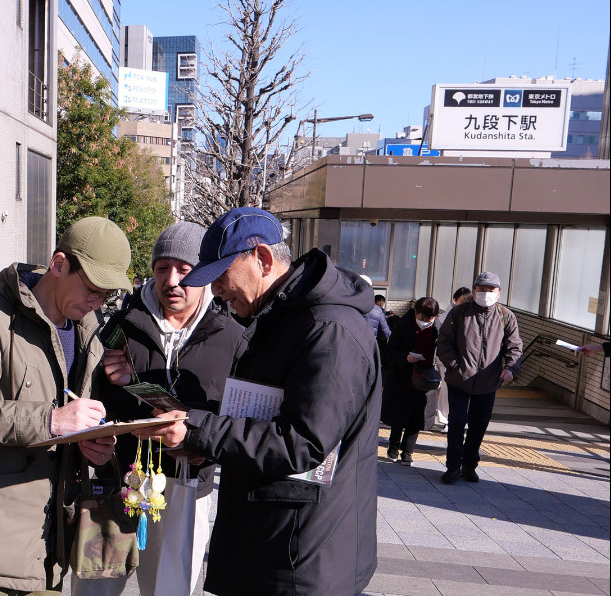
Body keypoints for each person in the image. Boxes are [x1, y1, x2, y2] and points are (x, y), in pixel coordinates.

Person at [138, 207, 381, 596]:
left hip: (300, 559)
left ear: (262, 260)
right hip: (273, 540)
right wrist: (203, 443)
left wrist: (200, 430)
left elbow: (303, 441)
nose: (215, 291)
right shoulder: (279, 318)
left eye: (221, 276)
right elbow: (261, 415)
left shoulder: (328, 330)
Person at [0, 217, 132, 596]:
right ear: (59, 265)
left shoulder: (88, 328)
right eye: (92, 290)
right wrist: (50, 420)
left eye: (105, 296)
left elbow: (72, 418)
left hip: (52, 542)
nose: (97, 302)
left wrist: (92, 443)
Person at [72, 222, 246, 596]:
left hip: (186, 485)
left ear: (204, 272)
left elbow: (239, 418)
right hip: (117, 482)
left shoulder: (233, 337)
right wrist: (87, 442)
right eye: (162, 267)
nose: (171, 280)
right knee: (94, 590)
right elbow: (88, 400)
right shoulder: (119, 326)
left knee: (171, 589)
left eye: (184, 269)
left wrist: (202, 444)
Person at [437, 271, 522, 485]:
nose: (485, 294)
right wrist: (455, 365)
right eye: (481, 290)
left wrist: (511, 368)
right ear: (474, 291)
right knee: (456, 422)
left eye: (490, 290)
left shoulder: (505, 316)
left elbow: (514, 346)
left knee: (479, 425)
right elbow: (444, 342)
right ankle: (453, 467)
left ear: (499, 292)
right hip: (458, 380)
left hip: (488, 382)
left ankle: (470, 466)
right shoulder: (459, 312)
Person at [381, 297, 440, 466]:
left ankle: (408, 452)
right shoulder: (402, 325)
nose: (425, 323)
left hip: (423, 380)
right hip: (402, 377)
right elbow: (389, 353)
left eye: (430, 320)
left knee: (416, 417)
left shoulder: (435, 329)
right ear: (416, 312)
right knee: (399, 415)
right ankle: (393, 446)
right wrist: (405, 357)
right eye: (422, 318)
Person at [432, 287, 472, 428]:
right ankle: (447, 419)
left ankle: (447, 418)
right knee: (448, 388)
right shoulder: (447, 315)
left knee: (449, 388)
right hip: (448, 360)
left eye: (467, 300)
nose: (464, 303)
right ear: (455, 300)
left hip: (458, 360)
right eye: (462, 300)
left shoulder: (466, 313)